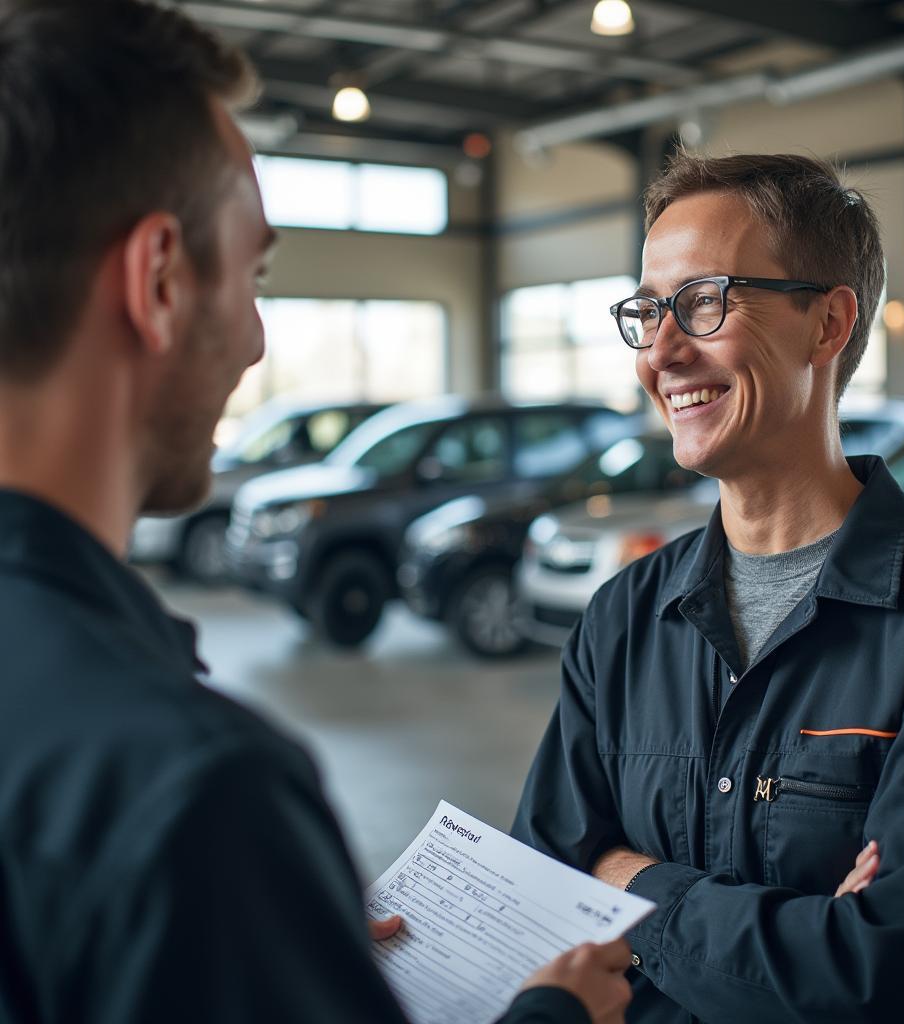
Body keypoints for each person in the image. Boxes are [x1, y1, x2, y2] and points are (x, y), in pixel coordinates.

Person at [0, 2, 633, 1022]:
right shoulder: (194, 794)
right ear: (159, 280)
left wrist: (277, 935)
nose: (254, 343)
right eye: (252, 277)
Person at [512, 151, 904, 1022]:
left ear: (828, 324)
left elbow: (889, 981)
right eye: (647, 310)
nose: (662, 351)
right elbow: (539, 897)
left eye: (704, 301)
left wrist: (626, 877)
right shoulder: (625, 618)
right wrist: (805, 932)